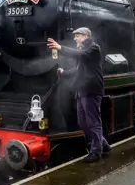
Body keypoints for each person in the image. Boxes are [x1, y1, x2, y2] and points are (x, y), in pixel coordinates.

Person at [47, 28, 111, 163]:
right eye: (75, 36)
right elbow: (78, 70)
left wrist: (60, 47)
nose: (75, 39)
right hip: (82, 90)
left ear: (86, 36)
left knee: (93, 122)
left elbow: (80, 55)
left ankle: (96, 152)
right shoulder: (85, 52)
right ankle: (103, 145)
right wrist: (64, 72)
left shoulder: (94, 49)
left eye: (77, 36)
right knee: (83, 122)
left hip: (91, 90)